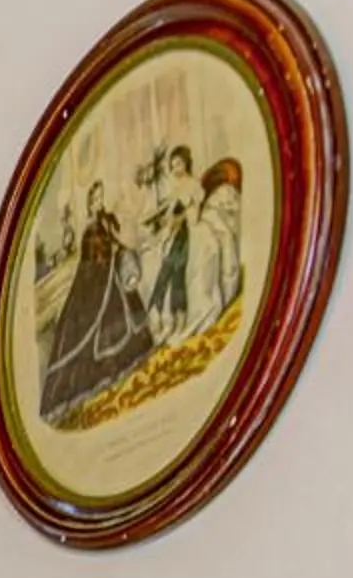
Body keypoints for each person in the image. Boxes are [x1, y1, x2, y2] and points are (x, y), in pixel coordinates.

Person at [38, 178, 155, 425]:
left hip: (113, 277)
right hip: (97, 284)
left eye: (100, 197)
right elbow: (92, 259)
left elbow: (112, 243)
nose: (98, 202)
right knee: (98, 324)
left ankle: (131, 358)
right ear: (89, 204)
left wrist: (123, 251)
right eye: (94, 199)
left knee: (124, 316)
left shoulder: (107, 221)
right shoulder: (90, 231)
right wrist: (109, 259)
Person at [187, 157, 247, 336]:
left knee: (219, 257)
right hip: (203, 235)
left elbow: (228, 214)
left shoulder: (225, 194)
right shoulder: (204, 200)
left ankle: (217, 301)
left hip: (213, 236)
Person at [145, 145, 197, 342]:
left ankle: (178, 320)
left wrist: (180, 218)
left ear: (186, 164)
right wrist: (163, 222)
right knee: (167, 273)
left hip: (184, 235)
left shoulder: (193, 185)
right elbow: (167, 214)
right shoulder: (174, 189)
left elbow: (194, 213)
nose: (176, 168)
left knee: (176, 277)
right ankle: (158, 313)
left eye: (179, 164)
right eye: (173, 165)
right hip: (173, 235)